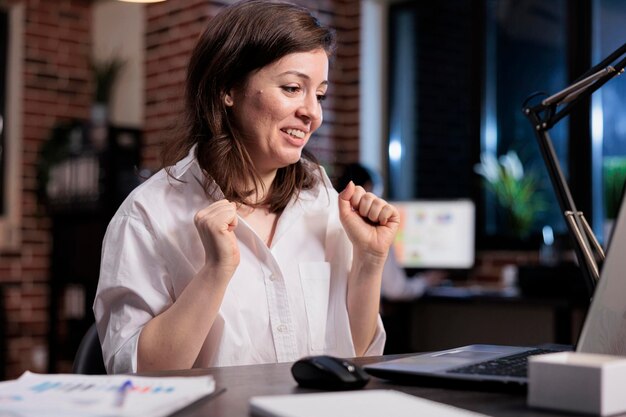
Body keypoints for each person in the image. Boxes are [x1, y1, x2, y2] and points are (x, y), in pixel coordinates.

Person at [93, 0, 400, 374]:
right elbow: (134, 377)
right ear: (228, 89)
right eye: (291, 88)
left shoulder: (322, 200)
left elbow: (357, 360)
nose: (312, 113)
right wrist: (215, 272)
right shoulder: (147, 216)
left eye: (319, 94)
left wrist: (370, 262)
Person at [335, 163, 446, 301]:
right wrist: (424, 282)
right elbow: (396, 289)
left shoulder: (330, 219)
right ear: (369, 188)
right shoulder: (374, 229)